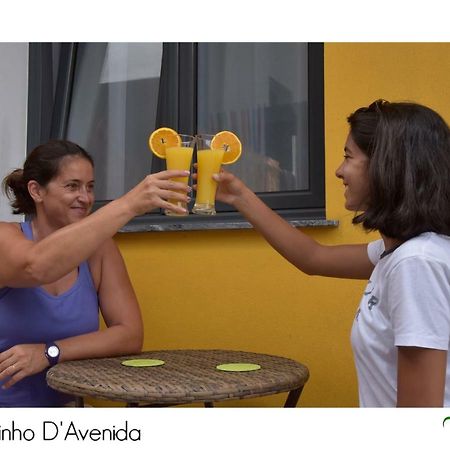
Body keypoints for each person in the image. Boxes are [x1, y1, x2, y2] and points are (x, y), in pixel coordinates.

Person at [212, 100, 450, 407]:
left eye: (349, 157)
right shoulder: (400, 253)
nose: (339, 171)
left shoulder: (417, 263)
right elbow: (314, 257)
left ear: (386, 165)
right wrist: (239, 196)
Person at [0, 139, 191, 406]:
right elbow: (37, 266)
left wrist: (49, 352)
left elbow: (130, 334)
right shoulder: (5, 237)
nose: (86, 197)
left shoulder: (99, 250)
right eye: (72, 186)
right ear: (36, 191)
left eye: (90, 187)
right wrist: (129, 204)